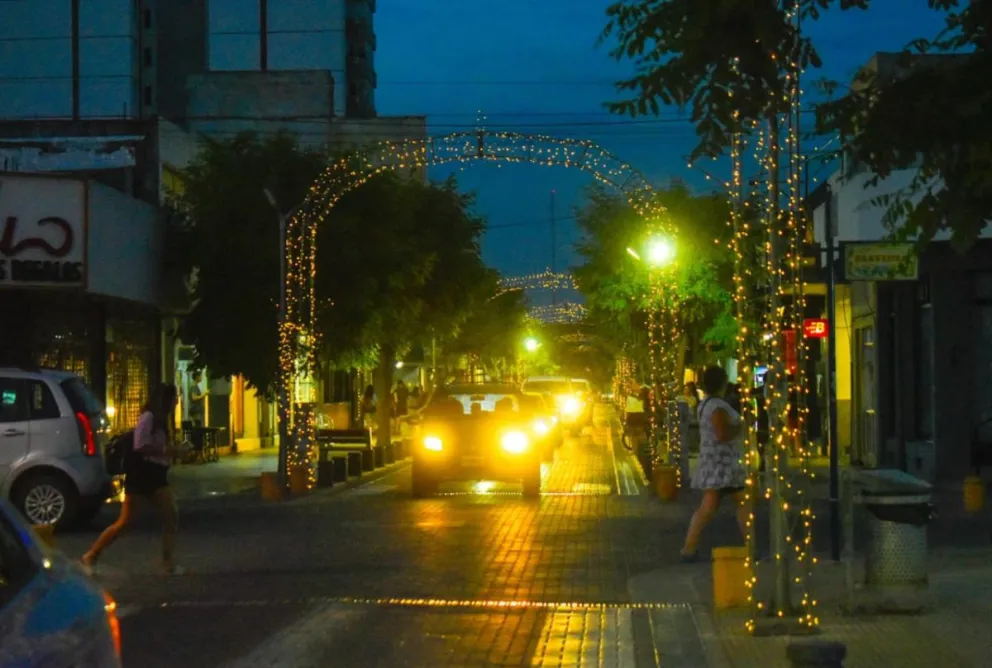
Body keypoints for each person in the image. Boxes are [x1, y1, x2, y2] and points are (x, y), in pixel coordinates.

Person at [82, 383, 186, 576]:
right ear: (165, 400)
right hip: (142, 476)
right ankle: (91, 555)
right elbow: (140, 445)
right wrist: (167, 450)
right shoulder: (149, 418)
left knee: (171, 517)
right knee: (125, 522)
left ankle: (167, 563)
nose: (176, 403)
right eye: (174, 399)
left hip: (156, 475)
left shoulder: (162, 421)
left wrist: (174, 451)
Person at [680, 366, 749, 562]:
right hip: (724, 464)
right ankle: (750, 546)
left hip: (713, 463)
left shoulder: (704, 404)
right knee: (742, 504)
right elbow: (721, 434)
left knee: (707, 509)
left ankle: (689, 548)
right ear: (721, 383)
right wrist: (739, 427)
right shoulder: (718, 406)